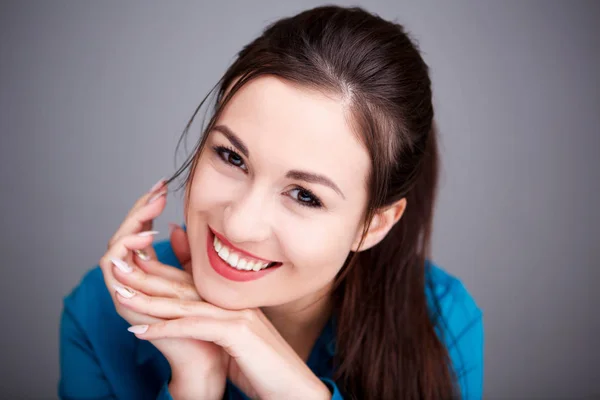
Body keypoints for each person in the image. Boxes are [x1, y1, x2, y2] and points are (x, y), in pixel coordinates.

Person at [59, 5, 483, 400]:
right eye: (231, 156)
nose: (240, 224)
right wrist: (197, 382)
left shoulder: (442, 321)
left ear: (373, 225)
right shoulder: (103, 312)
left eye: (305, 195)